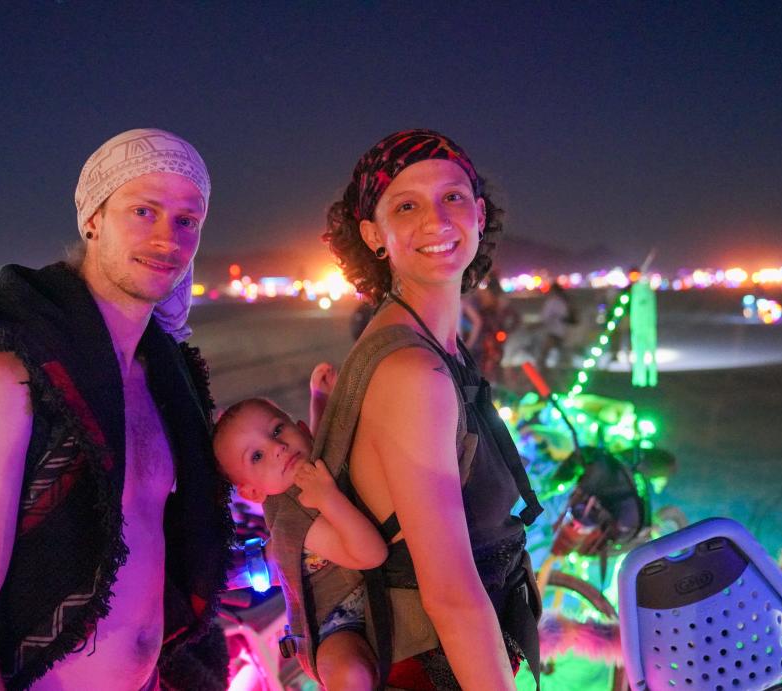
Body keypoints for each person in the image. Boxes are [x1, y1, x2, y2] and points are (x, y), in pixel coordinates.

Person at [0, 129, 233, 690]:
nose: (167, 237)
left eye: (187, 220)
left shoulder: (168, 384)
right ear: (92, 217)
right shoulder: (8, 383)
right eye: (144, 211)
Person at [301, 129, 543, 690]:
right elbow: (451, 597)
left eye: (453, 198)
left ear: (479, 214)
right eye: (406, 206)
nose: (436, 221)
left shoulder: (430, 344)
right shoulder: (414, 374)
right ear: (372, 234)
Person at [213, 363, 386, 691]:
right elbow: (369, 553)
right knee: (350, 675)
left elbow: (323, 455)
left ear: (302, 429)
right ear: (252, 492)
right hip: (334, 621)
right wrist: (329, 498)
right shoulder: (292, 517)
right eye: (257, 456)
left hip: (368, 594)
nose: (277, 447)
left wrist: (320, 400)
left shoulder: (304, 473)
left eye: (277, 430)